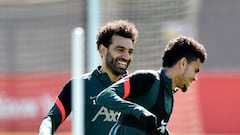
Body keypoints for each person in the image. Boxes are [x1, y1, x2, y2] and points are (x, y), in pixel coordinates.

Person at [39, 20, 139, 135]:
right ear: (103, 50)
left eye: (130, 52)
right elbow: (51, 119)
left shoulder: (138, 88)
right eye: (120, 50)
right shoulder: (79, 86)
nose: (126, 56)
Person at [96, 36, 207, 135]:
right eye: (195, 70)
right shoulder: (147, 79)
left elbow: (157, 130)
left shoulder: (169, 98)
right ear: (183, 63)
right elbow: (104, 96)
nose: (195, 78)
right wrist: (140, 112)